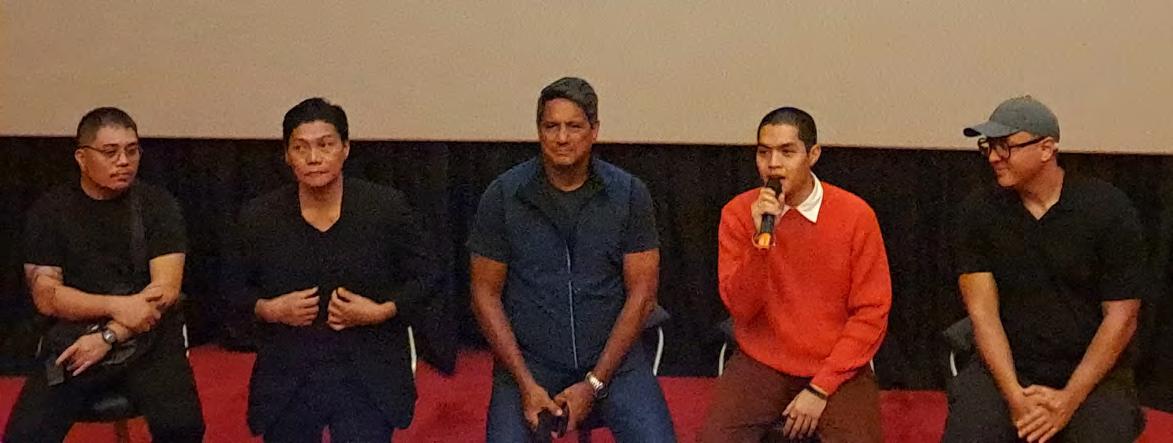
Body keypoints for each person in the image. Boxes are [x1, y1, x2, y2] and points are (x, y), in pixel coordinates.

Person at [468, 77, 676, 442]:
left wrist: (594, 384)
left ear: (594, 131)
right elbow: (484, 294)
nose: (562, 138)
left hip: (614, 364)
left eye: (574, 126)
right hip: (529, 364)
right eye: (551, 126)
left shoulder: (628, 194)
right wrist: (526, 384)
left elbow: (642, 296)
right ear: (539, 131)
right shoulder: (503, 196)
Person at [226, 97, 440, 442]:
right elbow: (229, 288)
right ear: (286, 155)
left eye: (325, 145)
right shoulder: (259, 218)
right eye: (301, 148)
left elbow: (427, 276)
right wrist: (268, 309)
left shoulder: (385, 208)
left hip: (367, 369)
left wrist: (382, 311)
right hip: (290, 371)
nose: (314, 158)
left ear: (345, 148)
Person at [944, 96, 1146, 442]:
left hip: (1090, 372)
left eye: (1005, 146)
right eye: (988, 146)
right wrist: (1015, 397)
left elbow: (1122, 317)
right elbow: (982, 314)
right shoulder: (979, 211)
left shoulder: (1108, 208)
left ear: (1047, 148)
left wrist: (1068, 400)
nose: (993, 157)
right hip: (1006, 368)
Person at [4, 107, 205, 442]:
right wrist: (116, 307)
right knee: (26, 435)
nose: (124, 161)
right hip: (75, 336)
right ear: (82, 158)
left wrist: (109, 336)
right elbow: (47, 296)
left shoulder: (157, 205)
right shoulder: (50, 211)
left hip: (148, 334)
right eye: (110, 152)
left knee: (182, 427)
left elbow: (166, 290)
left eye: (132, 150)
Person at [699, 106, 892, 443]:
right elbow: (741, 308)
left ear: (813, 155)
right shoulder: (739, 213)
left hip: (837, 365)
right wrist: (760, 243)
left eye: (787, 152)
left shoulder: (855, 215)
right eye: (763, 152)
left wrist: (821, 388)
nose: (773, 164)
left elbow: (871, 312)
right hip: (762, 361)